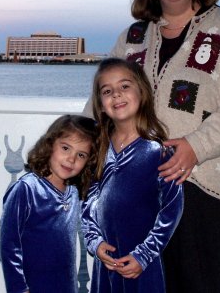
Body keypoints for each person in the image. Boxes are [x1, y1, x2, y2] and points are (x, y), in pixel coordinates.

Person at [85, 0, 220, 292]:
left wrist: (195, 146)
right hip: (131, 185)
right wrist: (78, 153)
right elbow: (101, 101)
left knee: (195, 282)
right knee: (138, 281)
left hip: (198, 180)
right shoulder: (133, 36)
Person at [81, 57, 183, 293]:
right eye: (107, 91)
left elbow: (172, 209)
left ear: (142, 92)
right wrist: (94, 242)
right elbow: (88, 201)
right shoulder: (98, 148)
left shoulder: (159, 151)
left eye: (124, 86)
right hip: (106, 261)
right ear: (101, 103)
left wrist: (144, 254)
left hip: (141, 263)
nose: (116, 94)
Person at [0, 114, 98, 293]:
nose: (71, 159)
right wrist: (19, 288)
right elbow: (9, 244)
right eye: (66, 148)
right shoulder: (26, 189)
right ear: (50, 144)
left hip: (65, 285)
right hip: (33, 285)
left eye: (81, 155)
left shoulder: (74, 192)